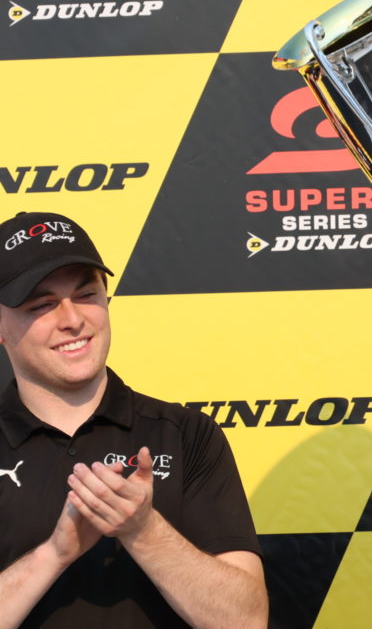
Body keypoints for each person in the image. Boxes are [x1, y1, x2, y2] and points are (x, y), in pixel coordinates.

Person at [0, 212, 267, 628]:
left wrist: (143, 531)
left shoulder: (187, 435)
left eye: (86, 294)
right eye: (43, 305)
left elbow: (245, 621)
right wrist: (53, 555)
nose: (72, 319)